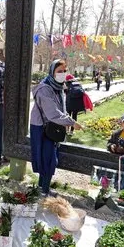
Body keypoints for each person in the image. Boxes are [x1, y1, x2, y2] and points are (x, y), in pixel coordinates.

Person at [30, 59, 81, 196]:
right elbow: (52, 113)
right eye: (59, 71)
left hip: (52, 127)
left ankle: (42, 187)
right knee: (48, 159)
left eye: (64, 71)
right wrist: (71, 122)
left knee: (48, 159)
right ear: (52, 72)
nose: (62, 74)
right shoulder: (44, 89)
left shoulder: (57, 87)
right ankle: (44, 190)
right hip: (42, 127)